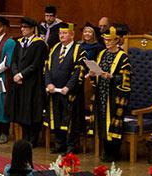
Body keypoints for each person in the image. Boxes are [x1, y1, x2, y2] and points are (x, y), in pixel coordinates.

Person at [44, 23, 85, 155]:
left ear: (72, 34)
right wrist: (48, 83)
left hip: (70, 92)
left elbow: (79, 71)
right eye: (60, 33)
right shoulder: (55, 48)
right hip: (54, 91)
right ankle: (59, 143)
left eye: (65, 33)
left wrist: (68, 86)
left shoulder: (79, 50)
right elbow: (47, 68)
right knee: (56, 117)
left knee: (71, 119)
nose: (61, 35)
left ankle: (71, 145)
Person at [90, 25, 130, 163]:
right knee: (102, 121)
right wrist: (93, 74)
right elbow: (98, 70)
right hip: (102, 92)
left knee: (112, 122)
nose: (107, 43)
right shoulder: (102, 54)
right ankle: (105, 150)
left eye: (110, 40)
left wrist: (112, 77)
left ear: (116, 41)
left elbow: (126, 77)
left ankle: (114, 152)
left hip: (114, 95)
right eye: (105, 40)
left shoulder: (123, 57)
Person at [7, 17, 47, 144]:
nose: (22, 29)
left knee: (31, 109)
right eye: (22, 27)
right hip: (19, 82)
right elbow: (13, 61)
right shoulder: (18, 42)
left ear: (32, 29)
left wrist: (21, 75)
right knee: (21, 109)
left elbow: (36, 64)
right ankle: (25, 136)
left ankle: (33, 137)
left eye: (25, 27)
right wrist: (15, 74)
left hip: (33, 82)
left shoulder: (39, 44)